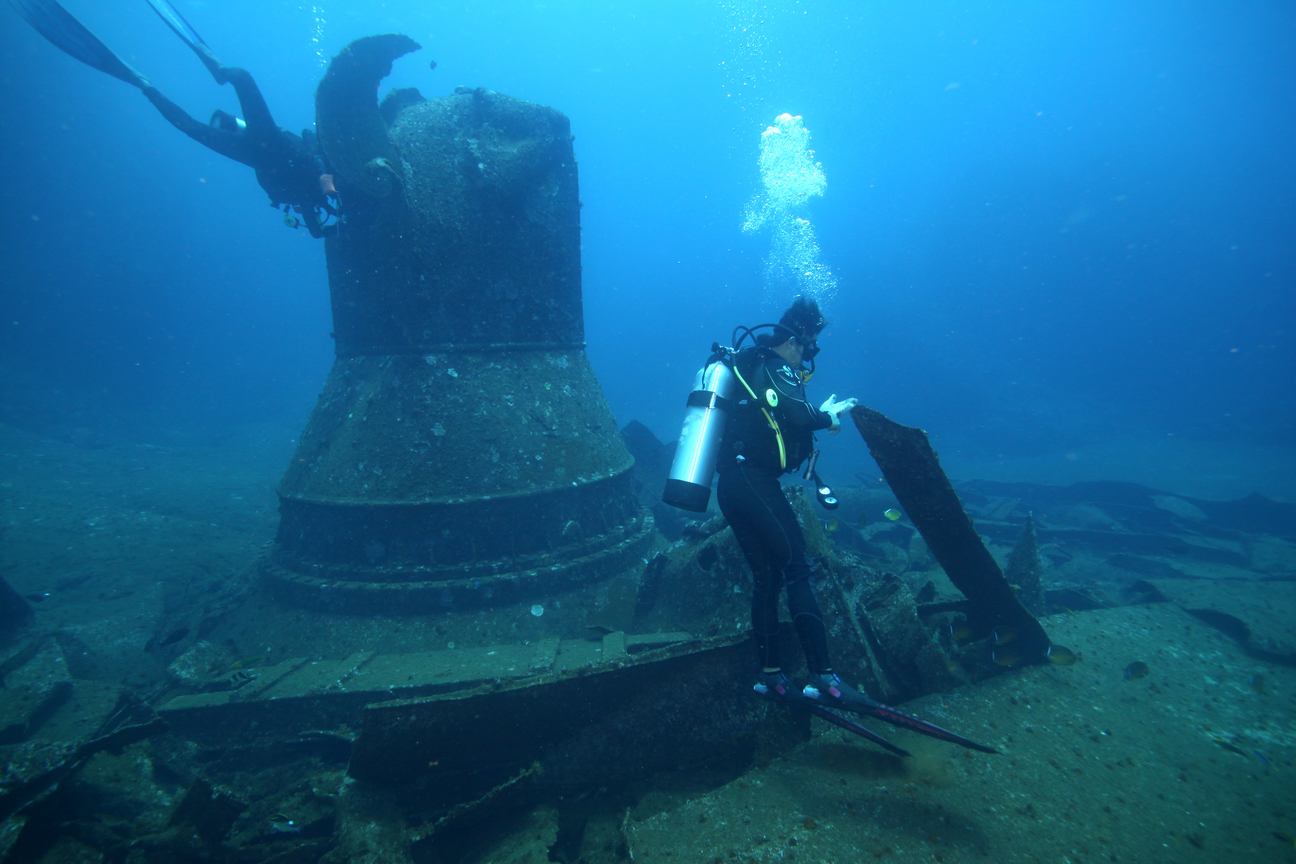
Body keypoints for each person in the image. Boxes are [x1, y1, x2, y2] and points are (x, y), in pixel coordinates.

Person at [8, 0, 337, 237]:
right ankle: (213, 69)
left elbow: (315, 231)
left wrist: (336, 225)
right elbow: (312, 143)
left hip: (254, 154)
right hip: (273, 143)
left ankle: (144, 84)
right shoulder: (325, 176)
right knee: (239, 81)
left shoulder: (311, 204)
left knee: (192, 125)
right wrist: (325, 177)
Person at [715, 295, 871, 711]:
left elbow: (787, 413)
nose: (808, 357)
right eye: (808, 346)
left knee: (767, 579)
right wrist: (829, 416)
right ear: (794, 340)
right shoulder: (775, 364)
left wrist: (819, 413)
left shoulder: (752, 365)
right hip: (752, 482)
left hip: (731, 486)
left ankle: (770, 677)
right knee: (798, 567)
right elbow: (799, 415)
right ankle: (824, 679)